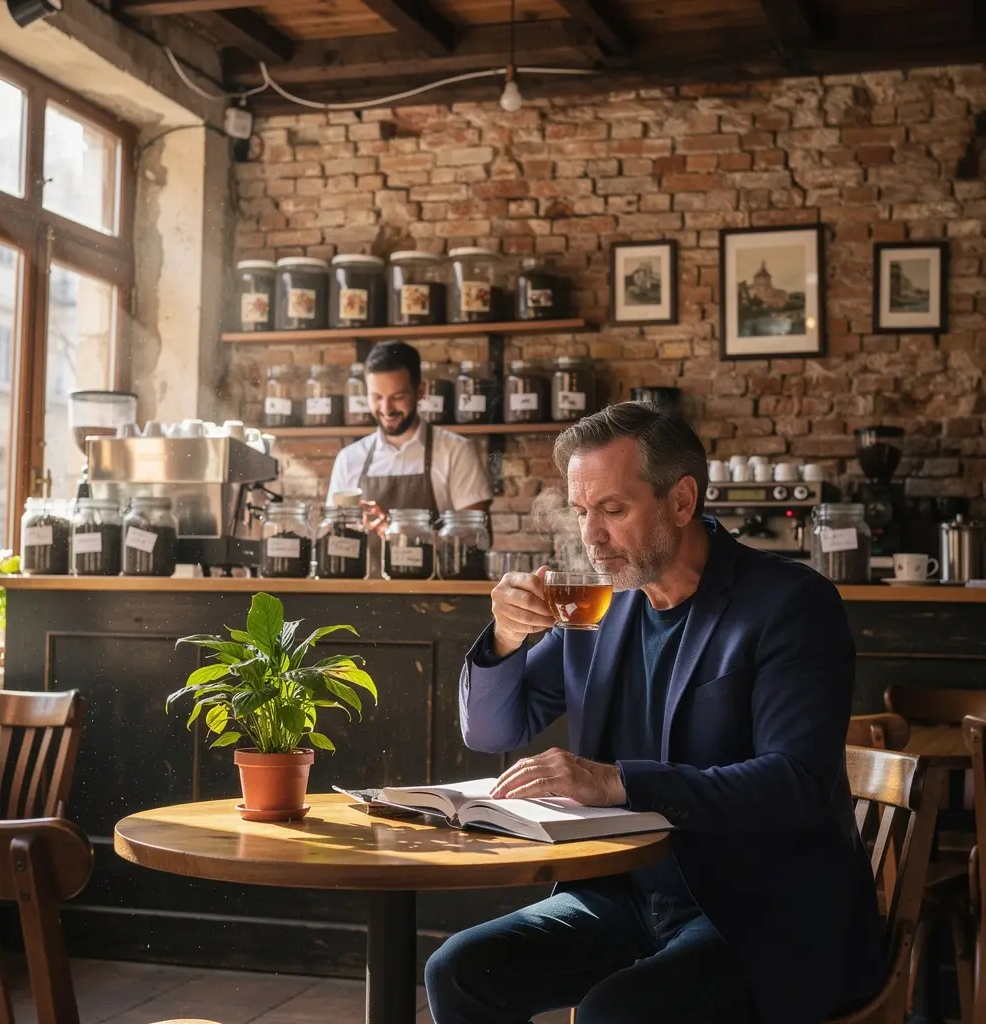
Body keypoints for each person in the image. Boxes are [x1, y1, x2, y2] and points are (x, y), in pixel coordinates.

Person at [425, 404, 884, 1024]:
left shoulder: (790, 604)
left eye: (613, 510)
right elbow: (491, 730)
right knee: (458, 971)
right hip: (624, 897)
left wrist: (615, 780)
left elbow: (795, 785)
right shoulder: (597, 609)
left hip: (759, 914)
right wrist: (505, 638)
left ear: (681, 501)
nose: (591, 536)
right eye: (582, 512)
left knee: (616, 1013)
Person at [326, 341, 492, 531]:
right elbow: (334, 535)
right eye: (377, 397)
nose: (386, 409)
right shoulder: (349, 459)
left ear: (420, 391)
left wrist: (400, 533)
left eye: (397, 397)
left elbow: (477, 539)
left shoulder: (455, 451)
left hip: (435, 562)